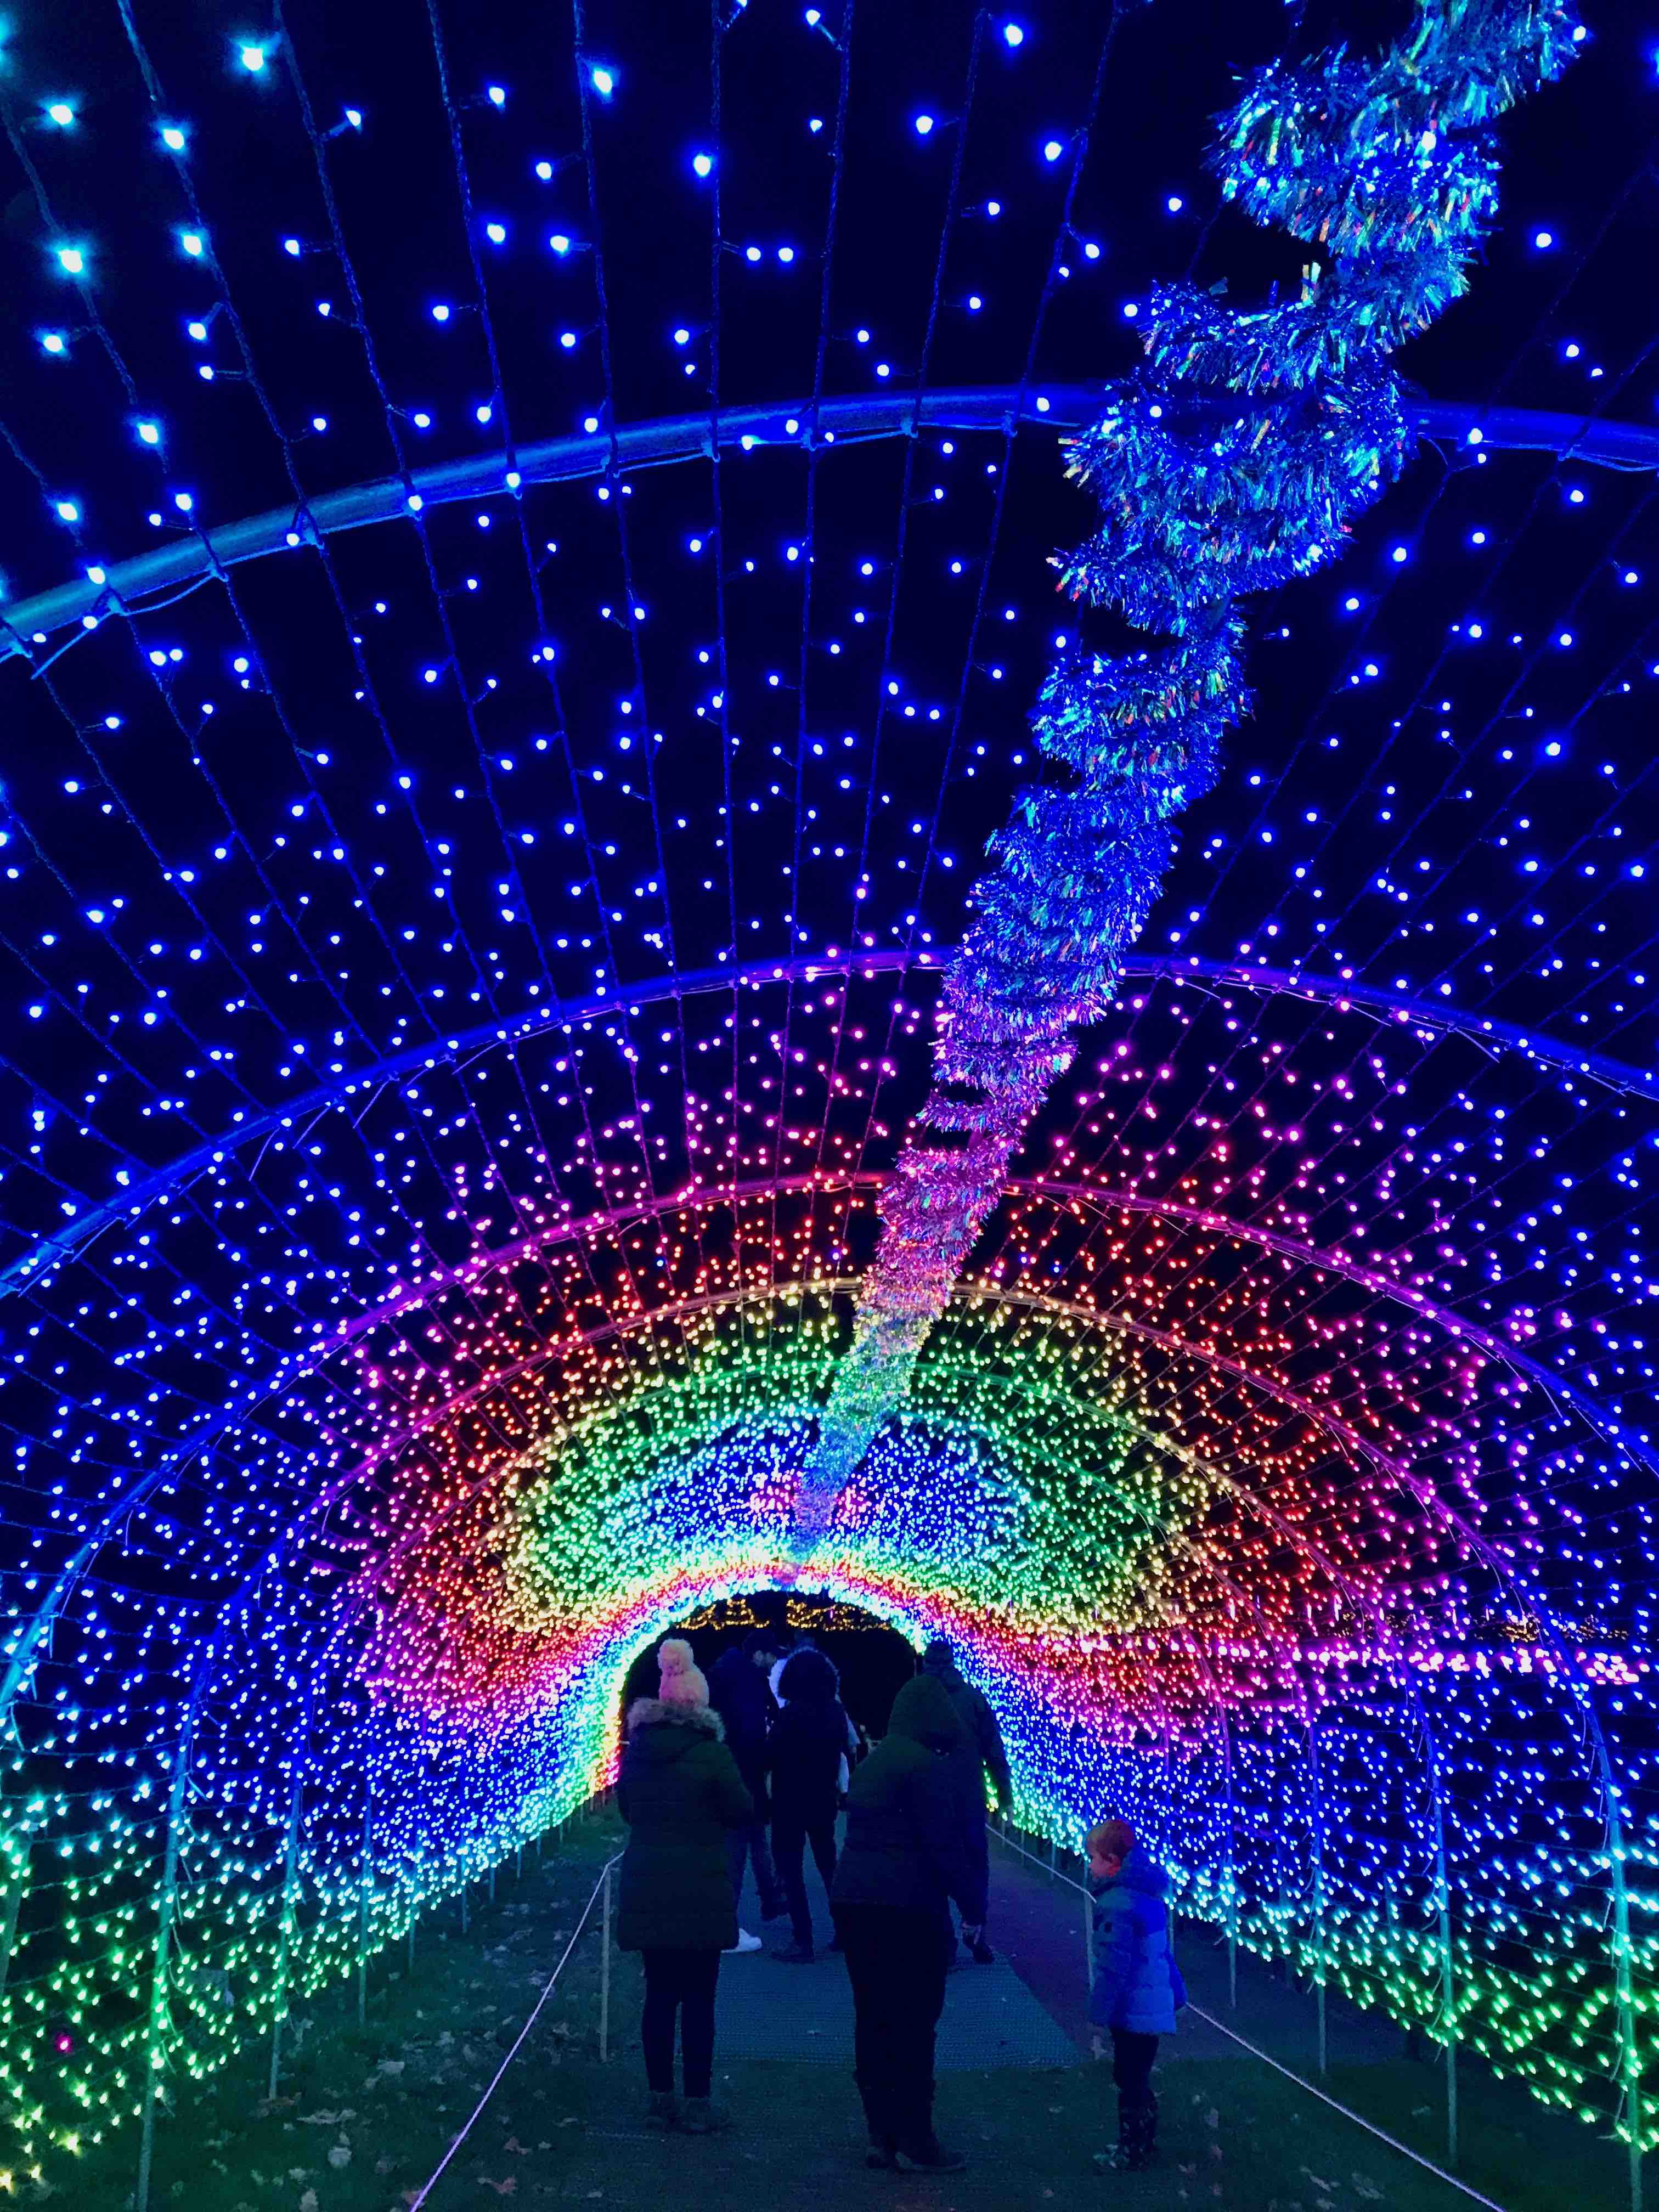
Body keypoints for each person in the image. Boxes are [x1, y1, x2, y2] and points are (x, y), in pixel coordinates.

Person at [831, 1674, 977, 2175]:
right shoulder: (927, 1769)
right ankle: (916, 2138)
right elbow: (944, 1847)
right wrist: (972, 1905)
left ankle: (880, 2133)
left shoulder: (873, 1764)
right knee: (915, 2021)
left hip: (855, 1901)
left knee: (873, 2017)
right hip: (908, 1907)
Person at [615, 1638, 757, 2134]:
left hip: (649, 1886)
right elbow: (741, 1810)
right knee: (699, 1999)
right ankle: (698, 2103)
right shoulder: (712, 1755)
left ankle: (659, 2099)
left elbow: (628, 1810)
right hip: (701, 1888)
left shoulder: (637, 1753)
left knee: (658, 1994)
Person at [1085, 1816, 1185, 2173]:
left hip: (1132, 2009)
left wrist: (1099, 2011)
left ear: (1112, 1861)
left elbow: (1114, 1966)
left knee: (1129, 2078)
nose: (1090, 1866)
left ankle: (1131, 2149)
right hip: (1151, 2006)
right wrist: (1177, 1994)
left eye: (1094, 1859)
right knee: (1138, 2075)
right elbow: (1162, 1955)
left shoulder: (1117, 1905)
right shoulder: (1148, 1900)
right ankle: (1145, 2139)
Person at [919, 1638, 1012, 1964]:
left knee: (932, 1870)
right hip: (968, 1797)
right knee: (975, 1867)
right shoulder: (973, 1699)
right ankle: (976, 1930)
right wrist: (1004, 1794)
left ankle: (944, 1944)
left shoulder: (916, 1701)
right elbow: (994, 1749)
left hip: (929, 1799)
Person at [764, 1646, 849, 1962]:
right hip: (823, 1797)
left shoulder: (790, 1715)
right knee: (829, 1865)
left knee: (791, 1869)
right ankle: (845, 1929)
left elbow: (769, 1755)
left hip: (790, 1801)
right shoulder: (835, 1712)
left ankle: (803, 1939)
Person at [708, 1627, 787, 1949]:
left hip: (736, 1772)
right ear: (758, 1654)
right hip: (742, 1776)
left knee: (754, 1838)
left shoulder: (732, 1674)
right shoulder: (746, 1683)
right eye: (772, 1656)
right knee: (737, 1849)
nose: (774, 1663)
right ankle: (726, 1926)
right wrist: (767, 1756)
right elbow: (749, 1732)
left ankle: (770, 1897)